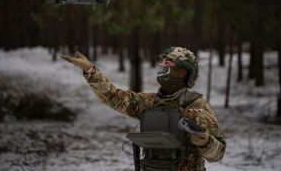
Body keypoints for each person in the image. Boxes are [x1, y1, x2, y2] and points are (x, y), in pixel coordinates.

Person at [62, 46, 226, 171]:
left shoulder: (197, 106)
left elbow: (218, 154)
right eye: (162, 62)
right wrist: (90, 71)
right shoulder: (149, 102)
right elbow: (113, 97)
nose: (162, 66)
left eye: (168, 63)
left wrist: (206, 142)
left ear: (184, 72)